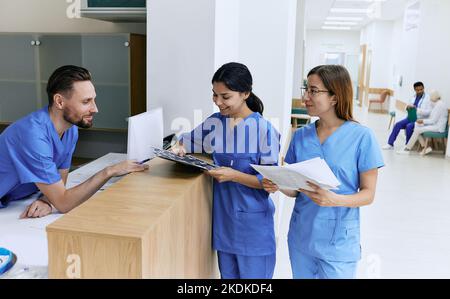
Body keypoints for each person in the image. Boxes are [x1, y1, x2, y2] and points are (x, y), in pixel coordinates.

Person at [262, 65, 384, 279]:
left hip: (338, 241)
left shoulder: (362, 137)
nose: (305, 97)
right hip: (302, 237)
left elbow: (368, 194)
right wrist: (278, 184)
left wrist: (334, 199)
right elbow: (296, 189)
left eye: (313, 91)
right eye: (305, 90)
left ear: (335, 97)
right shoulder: (300, 136)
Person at [172, 62, 280, 279]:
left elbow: (269, 183)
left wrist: (234, 176)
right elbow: (187, 141)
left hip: (253, 227)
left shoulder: (264, 131)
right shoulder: (215, 123)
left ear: (245, 93)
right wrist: (179, 147)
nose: (218, 102)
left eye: (225, 96)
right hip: (224, 224)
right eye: (215, 95)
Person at [0, 65, 149, 218]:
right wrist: (109, 171)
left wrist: (47, 200)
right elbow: (64, 203)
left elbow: (60, 179)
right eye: (86, 101)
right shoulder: (33, 136)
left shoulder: (70, 129)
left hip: (14, 203)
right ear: (59, 102)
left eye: (93, 100)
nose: (95, 109)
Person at [383, 82, 432, 150]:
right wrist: (407, 107)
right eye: (418, 90)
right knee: (397, 125)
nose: (420, 91)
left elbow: (428, 112)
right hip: (410, 117)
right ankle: (390, 144)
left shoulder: (428, 98)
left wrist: (417, 109)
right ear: (414, 90)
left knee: (409, 126)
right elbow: (406, 106)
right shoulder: (413, 97)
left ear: (423, 88)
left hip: (419, 120)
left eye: (421, 89)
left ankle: (407, 145)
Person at [397, 91, 448, 155]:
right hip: (435, 125)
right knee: (416, 125)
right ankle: (425, 147)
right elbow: (432, 118)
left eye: (430, 98)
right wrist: (421, 121)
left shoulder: (439, 106)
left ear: (434, 98)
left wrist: (422, 121)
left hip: (438, 128)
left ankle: (407, 149)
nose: (430, 100)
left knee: (417, 129)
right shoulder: (438, 104)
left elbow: (433, 120)